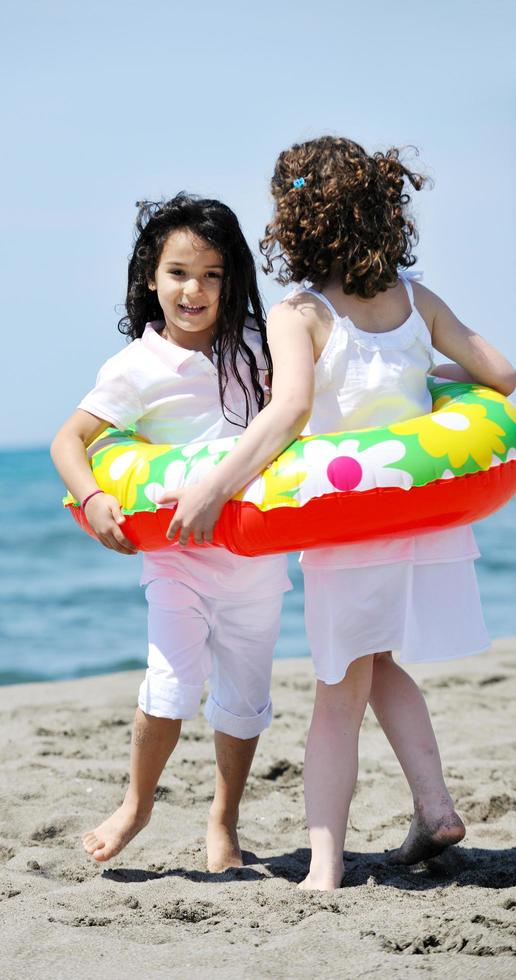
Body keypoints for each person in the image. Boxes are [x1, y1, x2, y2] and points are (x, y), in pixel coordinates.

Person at [161, 138, 516, 891]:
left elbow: (287, 412)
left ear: (295, 225)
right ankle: (435, 806)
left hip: (351, 527)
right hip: (427, 523)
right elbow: (503, 373)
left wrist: (214, 488)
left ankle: (323, 869)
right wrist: (421, 368)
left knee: (334, 694)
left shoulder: (302, 313)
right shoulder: (417, 299)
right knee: (380, 663)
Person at [50, 193, 293, 872]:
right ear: (151, 279)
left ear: (233, 281)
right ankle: (138, 803)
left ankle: (224, 818)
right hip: (179, 560)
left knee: (245, 699)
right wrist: (94, 498)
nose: (195, 289)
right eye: (179, 273)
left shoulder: (257, 347)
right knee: (169, 683)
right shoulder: (136, 367)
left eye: (213, 275)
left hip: (254, 559)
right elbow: (68, 440)